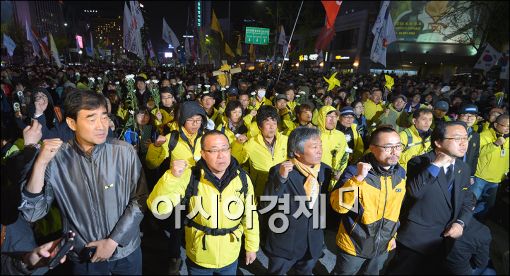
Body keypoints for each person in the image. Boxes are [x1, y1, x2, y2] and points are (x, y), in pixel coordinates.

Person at [18, 89, 148, 274]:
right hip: (84, 254)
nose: (101, 125)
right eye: (91, 119)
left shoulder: (124, 152)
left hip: (125, 250)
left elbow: (140, 198)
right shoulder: (57, 158)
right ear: (72, 123)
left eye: (104, 117)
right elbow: (32, 213)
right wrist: (40, 163)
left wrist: (113, 241)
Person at [147, 130, 259, 275]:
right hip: (199, 255)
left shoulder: (242, 178)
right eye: (213, 150)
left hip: (230, 255)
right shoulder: (190, 177)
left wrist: (252, 246)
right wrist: (172, 177)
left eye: (225, 149)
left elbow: (250, 214)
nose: (221, 155)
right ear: (203, 153)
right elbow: (158, 208)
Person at [388, 121, 475, 274]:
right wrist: (436, 165)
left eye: (465, 138)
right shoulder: (419, 162)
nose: (463, 143)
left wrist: (461, 223)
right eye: (456, 138)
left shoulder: (463, 168)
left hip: (443, 240)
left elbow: (467, 200)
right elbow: (415, 192)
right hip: (415, 241)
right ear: (438, 142)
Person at [330, 126, 406, 275]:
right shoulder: (355, 172)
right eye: (388, 147)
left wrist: (393, 235)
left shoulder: (400, 173)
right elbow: (338, 206)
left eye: (398, 146)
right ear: (372, 148)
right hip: (354, 244)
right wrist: (357, 179)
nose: (394, 152)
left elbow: (396, 208)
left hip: (383, 245)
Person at [262, 127, 332, 274]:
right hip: (285, 241)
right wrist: (280, 179)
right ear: (297, 152)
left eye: (320, 146)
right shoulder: (280, 170)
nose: (320, 150)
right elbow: (266, 204)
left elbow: (323, 204)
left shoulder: (325, 170)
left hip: (312, 241)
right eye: (314, 147)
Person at [232, 105, 288, 197]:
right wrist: (238, 144)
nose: (272, 127)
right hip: (261, 190)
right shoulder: (252, 143)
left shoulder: (285, 140)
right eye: (267, 123)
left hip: (283, 187)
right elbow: (237, 160)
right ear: (260, 127)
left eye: (274, 123)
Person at [471, 114, 509, 219]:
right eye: (505, 126)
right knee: (469, 204)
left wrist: (506, 171)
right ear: (496, 124)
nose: (507, 129)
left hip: (495, 180)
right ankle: (462, 225)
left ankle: (477, 226)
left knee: (486, 206)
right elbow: (476, 154)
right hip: (479, 177)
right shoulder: (484, 135)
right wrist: (494, 144)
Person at [316, 106, 348, 189]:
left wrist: (340, 171)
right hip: (316, 177)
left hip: (335, 179)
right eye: (329, 116)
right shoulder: (314, 135)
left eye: (335, 116)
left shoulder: (340, 135)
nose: (332, 119)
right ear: (322, 117)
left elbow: (345, 154)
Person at [456, 104, 480, 183]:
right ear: (458, 116)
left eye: (472, 116)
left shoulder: (475, 135)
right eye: (466, 115)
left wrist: (471, 175)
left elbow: (475, 156)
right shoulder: (449, 130)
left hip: (465, 173)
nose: (469, 119)